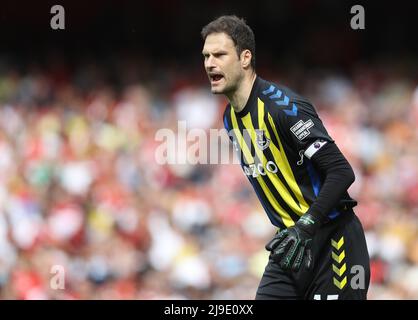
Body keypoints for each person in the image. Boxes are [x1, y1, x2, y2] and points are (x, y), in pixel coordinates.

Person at [201, 15, 370, 300]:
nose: (209, 63)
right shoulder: (230, 119)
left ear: (245, 58)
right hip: (290, 246)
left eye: (219, 54)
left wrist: (307, 224)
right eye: (206, 55)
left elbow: (341, 172)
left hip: (334, 241)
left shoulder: (285, 107)